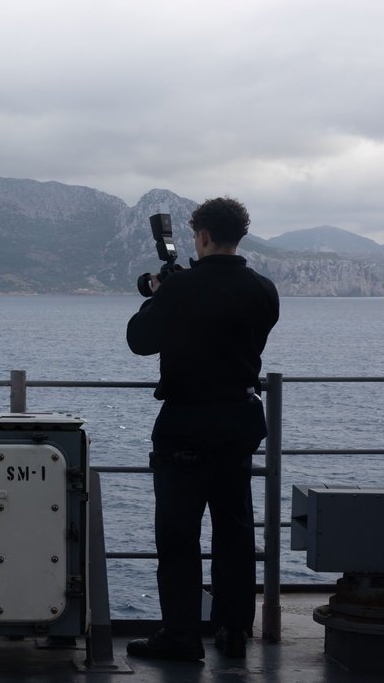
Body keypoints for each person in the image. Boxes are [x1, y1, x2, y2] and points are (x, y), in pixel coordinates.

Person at [125, 196, 279, 661]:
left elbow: (139, 340)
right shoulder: (264, 289)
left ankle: (181, 637)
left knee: (178, 536)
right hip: (239, 420)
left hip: (186, 424)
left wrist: (162, 293)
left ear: (204, 236)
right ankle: (234, 634)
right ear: (239, 236)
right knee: (234, 531)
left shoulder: (181, 288)